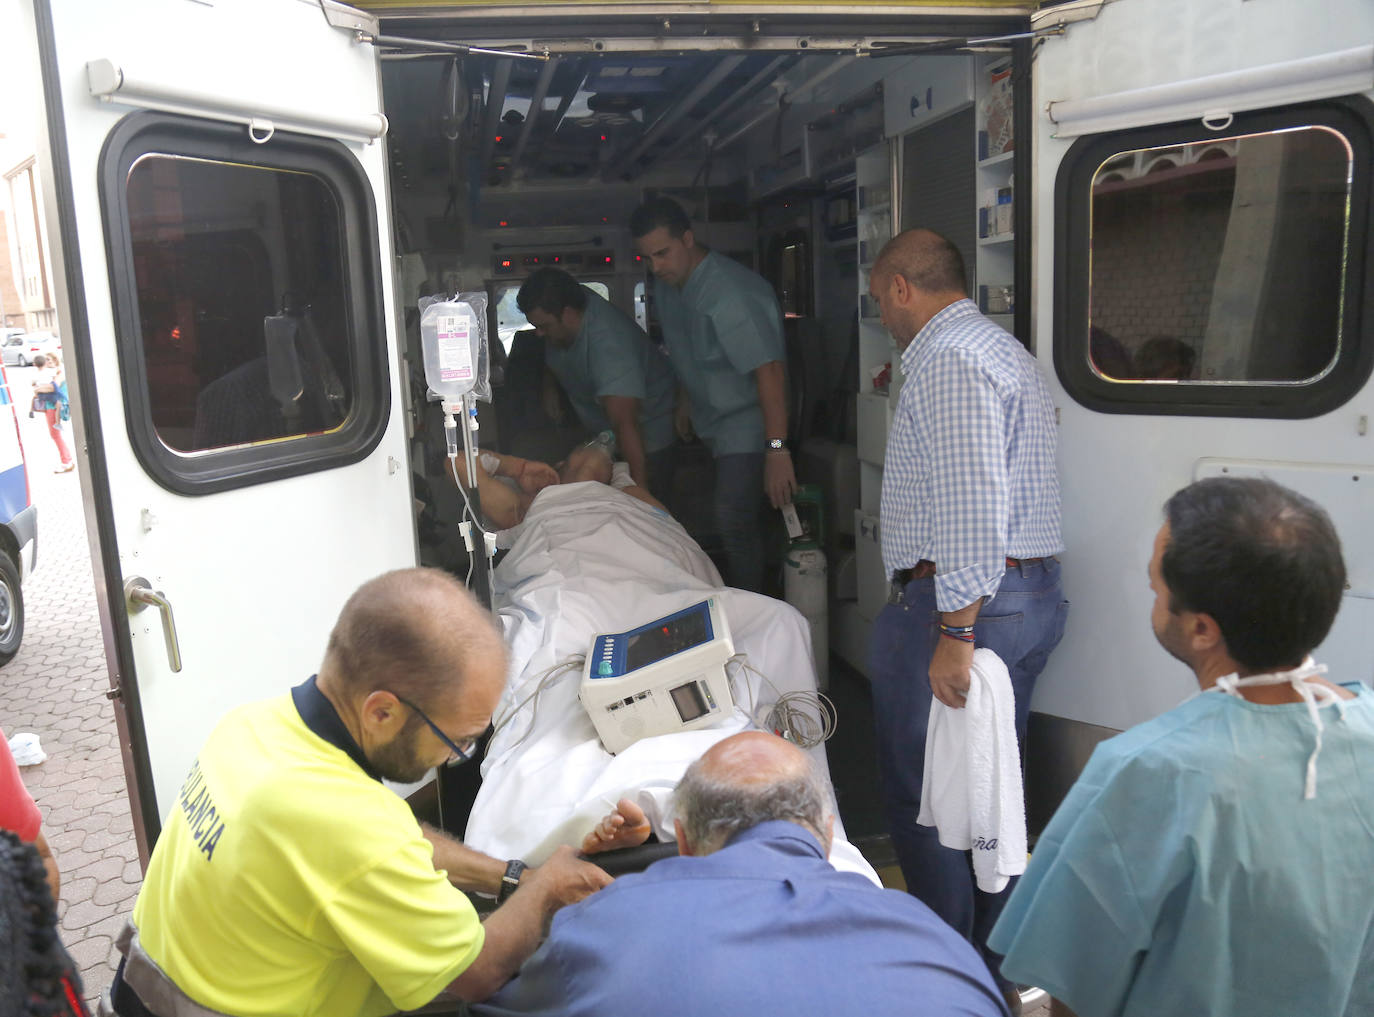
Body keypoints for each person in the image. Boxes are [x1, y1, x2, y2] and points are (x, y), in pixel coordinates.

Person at [106, 568, 612, 1017]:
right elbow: (475, 970)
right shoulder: (350, 828)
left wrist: (515, 878)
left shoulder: (249, 726)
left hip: (141, 990)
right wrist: (549, 889)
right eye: (457, 741)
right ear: (382, 712)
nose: (459, 756)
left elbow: (391, 839)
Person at [989, 477, 1374, 1017]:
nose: (1153, 598)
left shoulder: (1146, 771)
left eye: (1156, 589)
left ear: (1200, 629)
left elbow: (1075, 989)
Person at [866, 228, 1067, 1010]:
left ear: (903, 288)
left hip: (965, 605)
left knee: (933, 797)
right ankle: (994, 969)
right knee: (991, 791)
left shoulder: (949, 361)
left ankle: (944, 976)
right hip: (1023, 595)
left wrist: (954, 631)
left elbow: (971, 506)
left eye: (882, 295)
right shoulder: (1001, 349)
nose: (883, 312)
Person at [475, 731, 1009, 1017]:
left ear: (681, 838)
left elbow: (490, 999)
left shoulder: (599, 930)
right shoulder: (935, 943)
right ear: (826, 835)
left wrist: (541, 887)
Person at [630, 197, 796, 593]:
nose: (656, 266)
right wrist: (686, 398)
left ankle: (751, 611)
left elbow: (769, 371)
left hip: (749, 423)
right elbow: (688, 347)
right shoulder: (671, 286)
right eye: (647, 259)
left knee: (732, 518)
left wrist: (776, 449)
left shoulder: (729, 293)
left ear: (687, 239)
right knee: (720, 516)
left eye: (663, 253)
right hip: (711, 421)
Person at [515, 267, 678, 497]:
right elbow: (555, 353)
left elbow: (625, 424)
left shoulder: (610, 347)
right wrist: (549, 385)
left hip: (645, 441)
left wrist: (640, 490)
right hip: (607, 433)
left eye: (544, 326)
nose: (539, 334)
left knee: (647, 507)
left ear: (569, 314)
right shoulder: (568, 305)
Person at [31, 353, 74, 474]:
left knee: (55, 434)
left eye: (49, 360)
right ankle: (67, 460)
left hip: (54, 407)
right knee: (55, 434)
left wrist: (38, 389)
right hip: (50, 406)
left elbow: (52, 388)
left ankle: (67, 462)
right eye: (46, 360)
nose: (47, 362)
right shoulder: (51, 374)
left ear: (55, 361)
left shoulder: (60, 373)